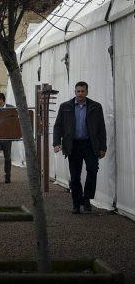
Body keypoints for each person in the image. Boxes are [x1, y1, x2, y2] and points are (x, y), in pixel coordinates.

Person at [53, 81, 107, 214]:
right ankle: (76, 204)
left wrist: (103, 147)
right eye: (78, 91)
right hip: (73, 144)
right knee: (75, 176)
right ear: (75, 92)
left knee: (92, 170)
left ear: (87, 92)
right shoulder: (65, 107)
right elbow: (58, 126)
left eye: (83, 91)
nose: (80, 94)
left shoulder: (96, 107)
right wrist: (56, 143)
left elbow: (101, 128)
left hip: (90, 144)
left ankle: (87, 199)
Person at [0, 92, 15, 183]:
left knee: (8, 158)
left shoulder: (11, 108)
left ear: (2, 100)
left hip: (7, 137)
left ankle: (8, 177)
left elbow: (14, 121)